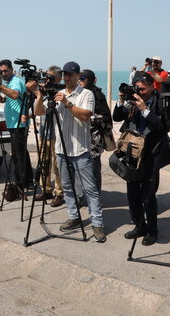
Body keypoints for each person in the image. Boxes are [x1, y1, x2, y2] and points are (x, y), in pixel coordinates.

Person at [31, 61, 106, 243]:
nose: (66, 78)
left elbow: (86, 115)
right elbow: (39, 112)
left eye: (70, 75)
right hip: (61, 150)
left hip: (80, 150)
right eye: (64, 75)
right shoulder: (58, 93)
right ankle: (73, 216)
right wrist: (39, 95)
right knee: (67, 187)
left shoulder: (86, 94)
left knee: (90, 189)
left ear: (78, 76)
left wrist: (66, 103)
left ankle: (97, 223)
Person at [112, 71, 170, 246]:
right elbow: (117, 117)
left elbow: (162, 127)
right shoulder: (133, 99)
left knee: (148, 195)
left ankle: (152, 231)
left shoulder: (161, 100)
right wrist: (122, 99)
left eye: (143, 89)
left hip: (151, 154)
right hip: (132, 153)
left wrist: (144, 110)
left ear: (153, 86)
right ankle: (139, 225)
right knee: (132, 194)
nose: (141, 92)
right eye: (138, 89)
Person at [0, 59, 33, 190]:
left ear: (12, 70)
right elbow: (13, 96)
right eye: (1, 71)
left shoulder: (16, 81)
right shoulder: (10, 82)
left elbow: (14, 94)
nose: (3, 73)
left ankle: (20, 184)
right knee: (22, 153)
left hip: (19, 123)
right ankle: (28, 180)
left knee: (18, 156)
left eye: (6, 71)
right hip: (15, 123)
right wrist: (3, 97)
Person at [29, 65, 64, 207]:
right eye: (47, 77)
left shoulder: (61, 92)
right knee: (44, 163)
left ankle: (59, 193)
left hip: (57, 135)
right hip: (44, 133)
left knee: (57, 166)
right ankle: (46, 190)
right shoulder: (43, 93)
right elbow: (37, 112)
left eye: (52, 78)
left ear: (59, 78)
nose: (49, 80)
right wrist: (39, 94)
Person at [78, 70, 113, 190]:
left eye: (82, 78)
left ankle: (95, 196)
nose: (80, 81)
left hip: (94, 139)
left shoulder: (97, 94)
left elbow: (106, 116)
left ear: (90, 80)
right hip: (80, 136)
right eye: (79, 78)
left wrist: (87, 116)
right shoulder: (80, 92)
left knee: (93, 169)